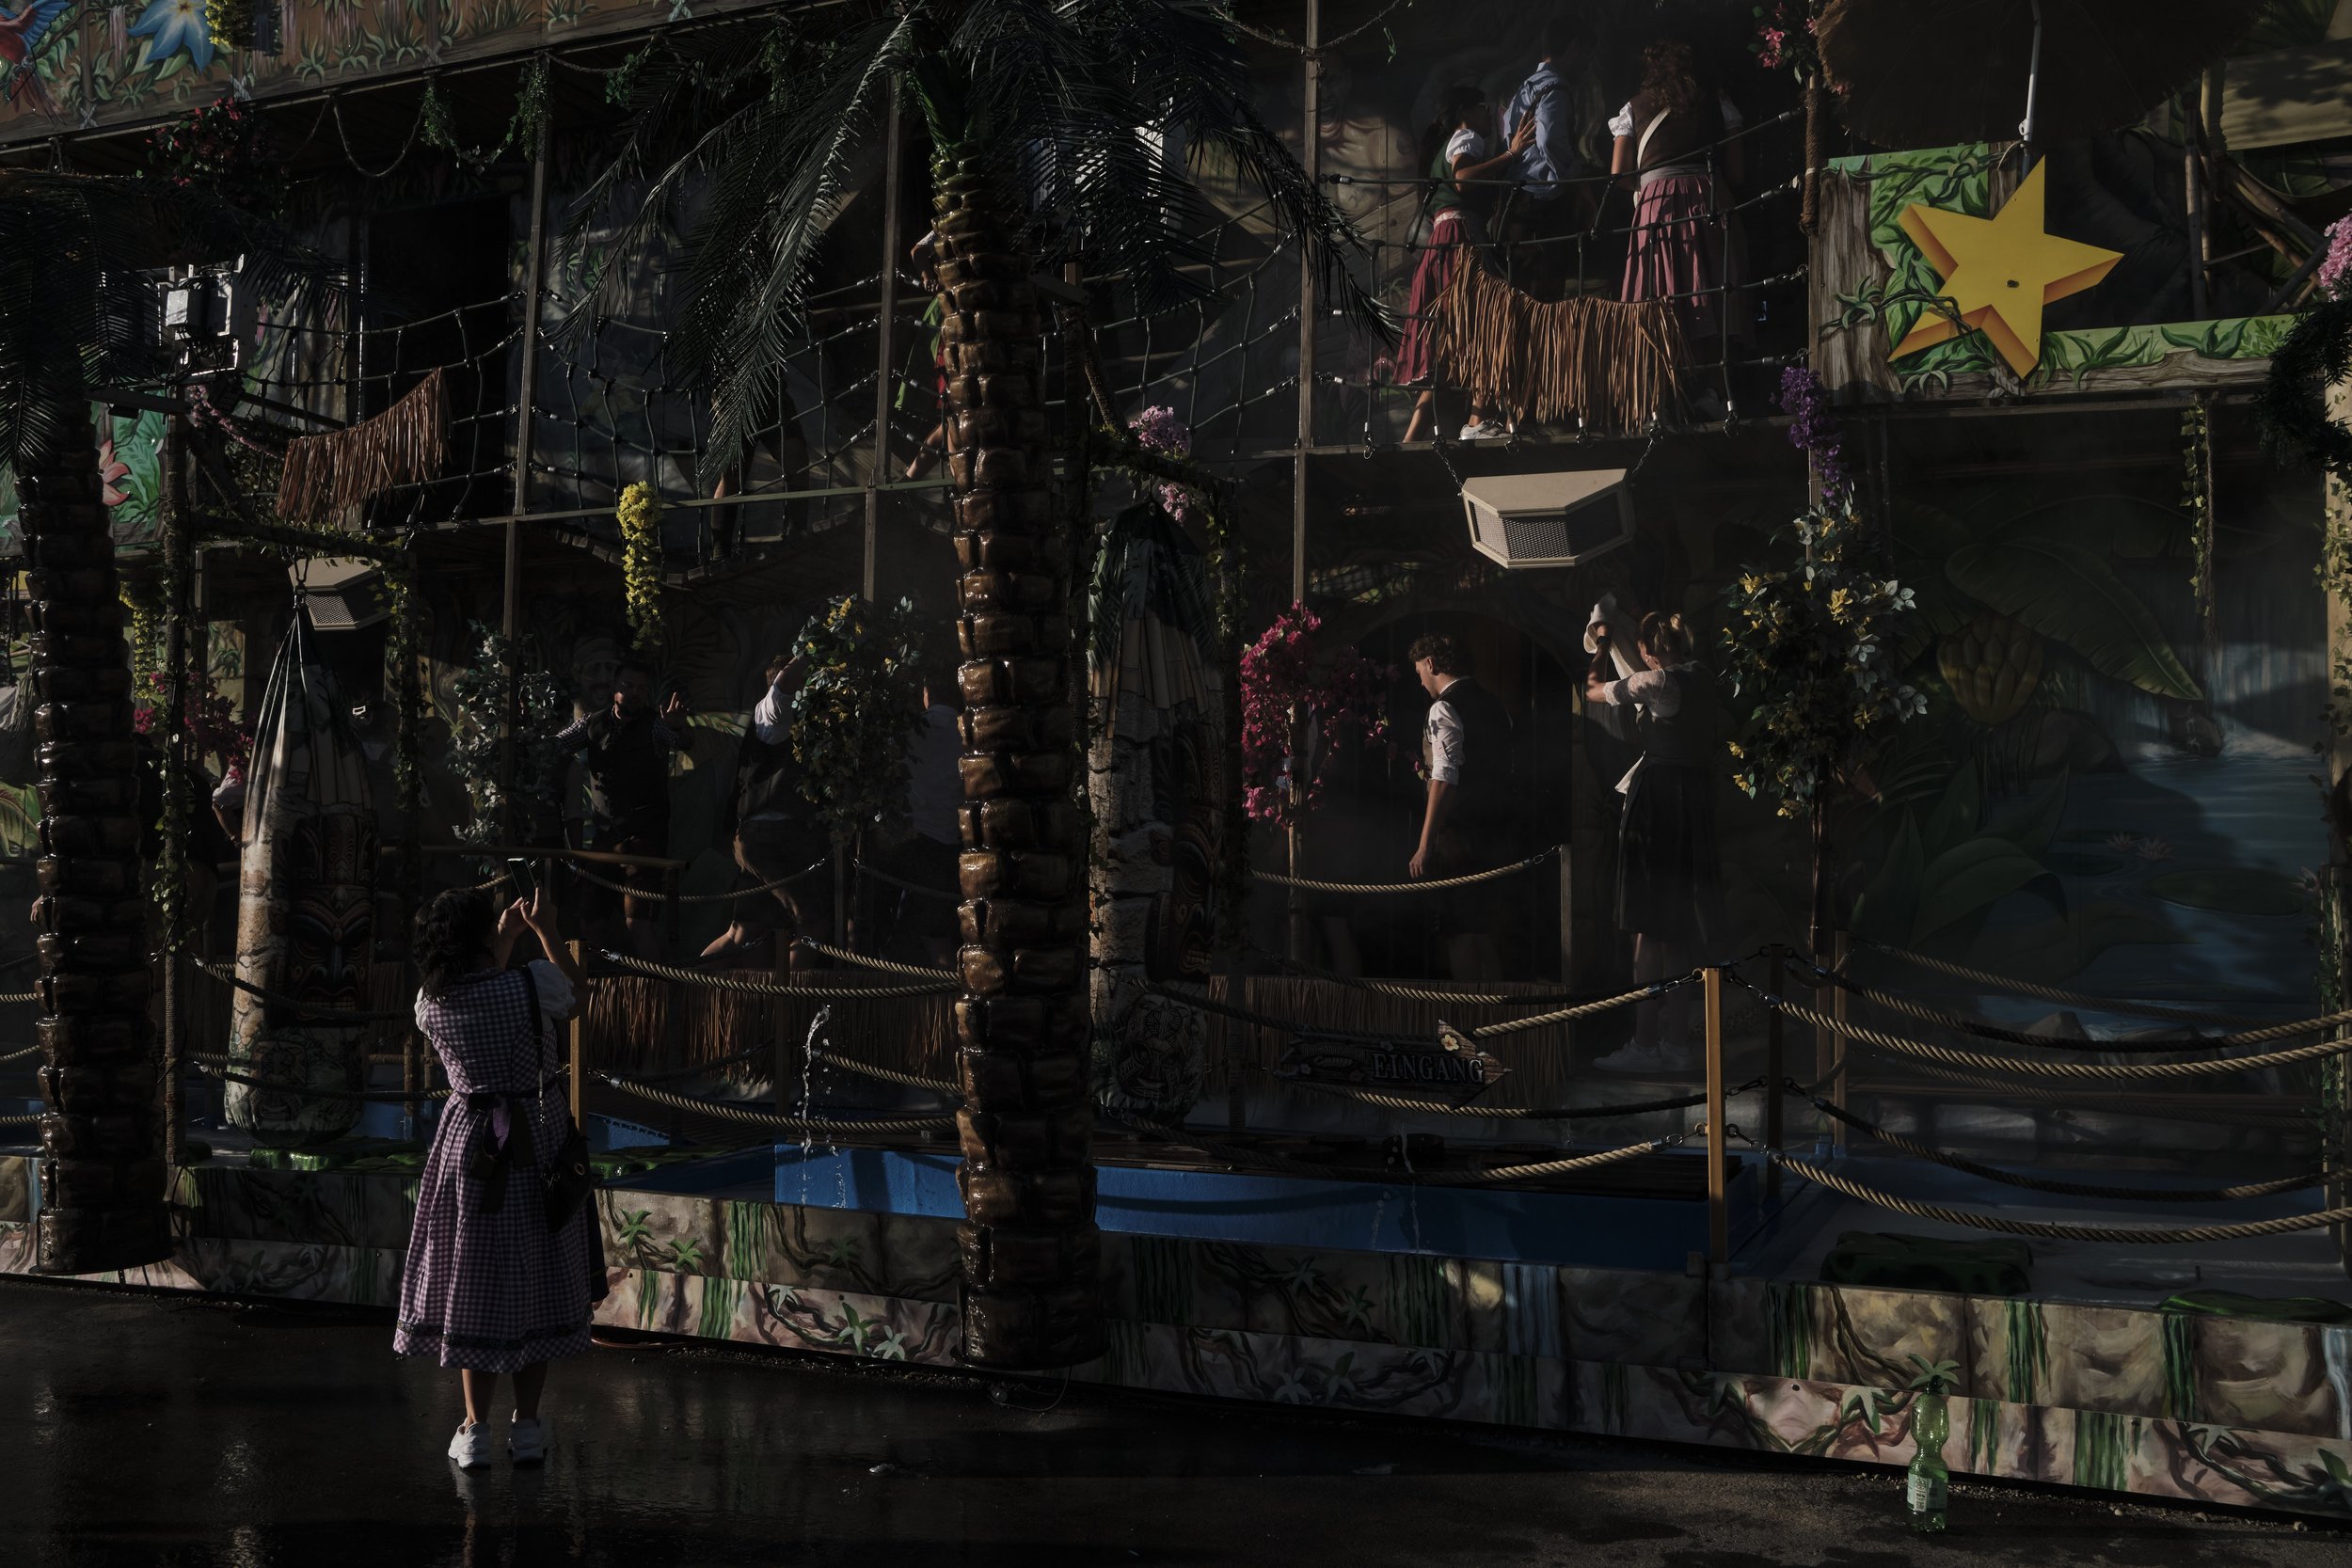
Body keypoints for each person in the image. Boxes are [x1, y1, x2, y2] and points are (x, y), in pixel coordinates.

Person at [393, 882, 601, 1470]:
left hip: (472, 1144)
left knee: (476, 1277)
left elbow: (481, 985)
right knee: (536, 1274)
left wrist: (501, 937)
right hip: (539, 1137)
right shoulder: (533, 983)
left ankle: (475, 1429)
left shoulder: (431, 1004)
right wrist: (545, 930)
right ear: (482, 937)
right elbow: (577, 998)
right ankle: (528, 1426)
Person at [1584, 608, 1722, 1074]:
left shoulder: (1655, 682)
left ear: (1646, 649)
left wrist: (1603, 643)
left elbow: (1592, 689)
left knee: (1645, 926)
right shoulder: (1703, 676)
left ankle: (1645, 1044)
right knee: (1676, 927)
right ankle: (1676, 1044)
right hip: (1692, 803)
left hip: (1659, 803)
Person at [1609, 39, 1749, 394]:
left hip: (1657, 207)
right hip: (1708, 199)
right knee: (1711, 288)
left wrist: (1653, 183)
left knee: (1658, 289)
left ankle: (1661, 393)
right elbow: (1736, 173)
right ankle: (1714, 390)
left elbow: (1619, 175)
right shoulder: (1716, 103)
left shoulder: (1634, 108)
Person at [1399, 87, 1534, 445]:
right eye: (1484, 108)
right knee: (1487, 328)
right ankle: (1477, 419)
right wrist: (1510, 154)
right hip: (1460, 242)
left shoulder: (1442, 149)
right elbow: (1463, 179)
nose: (1488, 114)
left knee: (1447, 349)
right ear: (1465, 112)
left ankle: (1409, 440)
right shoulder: (1468, 137)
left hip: (1440, 245)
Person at [554, 661, 693, 958]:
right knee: (590, 921)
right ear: (614, 688)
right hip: (605, 839)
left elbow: (683, 741)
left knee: (637, 923)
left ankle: (655, 985)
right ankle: (604, 979)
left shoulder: (655, 723)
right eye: (628, 686)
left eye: (641, 688)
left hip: (644, 841)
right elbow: (555, 747)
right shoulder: (592, 723)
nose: (634, 693)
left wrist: (679, 727)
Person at [702, 651, 829, 969]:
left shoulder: (787, 716)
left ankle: (688, 985)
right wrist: (817, 647)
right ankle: (783, 998)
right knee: (814, 927)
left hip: (759, 840)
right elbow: (784, 685)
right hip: (770, 839)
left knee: (741, 932)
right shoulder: (775, 711)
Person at [1406, 632, 1512, 981]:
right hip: (1495, 831)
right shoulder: (1495, 705)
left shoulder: (1443, 708)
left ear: (1431, 663)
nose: (1421, 681)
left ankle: (1470, 1010)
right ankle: (1496, 1009)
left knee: (1459, 931)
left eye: (1419, 672)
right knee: (1483, 931)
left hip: (1459, 836)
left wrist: (1425, 844)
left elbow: (1444, 778)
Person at [1496, 16, 1596, 302]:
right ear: (1574, 47)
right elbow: (1549, 138)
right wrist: (1573, 178)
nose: (1587, 64)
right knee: (1544, 292)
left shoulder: (1525, 88)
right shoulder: (1556, 88)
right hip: (1541, 206)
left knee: (1521, 296)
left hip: (1518, 200)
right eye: (1587, 55)